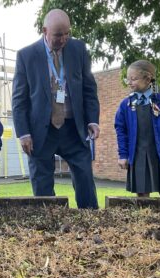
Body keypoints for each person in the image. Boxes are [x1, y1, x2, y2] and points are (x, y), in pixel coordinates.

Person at [11, 9, 100, 209]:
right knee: (42, 184)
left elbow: (88, 87)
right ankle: (51, 222)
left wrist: (93, 120)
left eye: (67, 33)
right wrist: (23, 133)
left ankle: (90, 220)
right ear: (45, 31)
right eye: (58, 35)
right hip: (42, 131)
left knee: (85, 176)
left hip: (73, 128)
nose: (64, 39)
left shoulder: (78, 49)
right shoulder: (26, 56)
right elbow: (19, 99)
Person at [114, 60, 160, 197]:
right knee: (142, 195)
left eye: (133, 79)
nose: (129, 82)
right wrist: (123, 155)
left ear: (147, 79)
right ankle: (144, 218)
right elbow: (121, 132)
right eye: (127, 79)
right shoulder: (125, 105)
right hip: (138, 155)